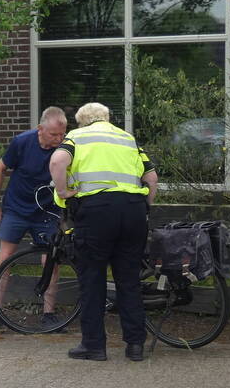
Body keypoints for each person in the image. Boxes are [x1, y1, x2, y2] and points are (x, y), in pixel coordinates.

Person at [49, 102, 158, 362]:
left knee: (92, 278)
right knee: (129, 280)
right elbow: (151, 178)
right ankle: (135, 346)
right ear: (107, 118)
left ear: (82, 121)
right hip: (132, 212)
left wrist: (63, 192)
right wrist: (145, 207)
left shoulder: (77, 137)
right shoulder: (127, 138)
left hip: (97, 212)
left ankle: (94, 346)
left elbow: (57, 161)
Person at [0, 106, 68, 333]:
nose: (59, 139)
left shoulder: (66, 148)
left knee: (50, 261)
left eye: (62, 134)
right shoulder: (22, 142)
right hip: (17, 209)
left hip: (47, 211)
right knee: (4, 259)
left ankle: (49, 314)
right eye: (54, 135)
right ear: (40, 129)